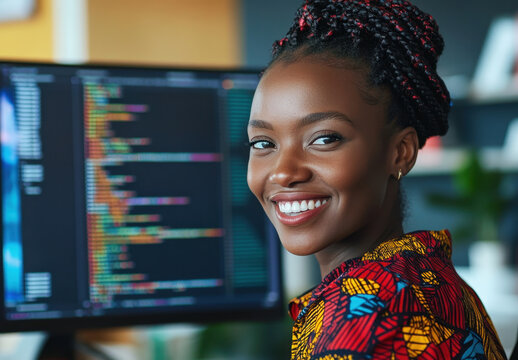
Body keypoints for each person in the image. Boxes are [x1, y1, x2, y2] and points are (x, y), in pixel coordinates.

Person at [246, 0, 507, 358]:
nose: (283, 171)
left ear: (400, 151)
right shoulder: (428, 277)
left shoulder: (362, 322)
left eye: (324, 139)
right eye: (263, 143)